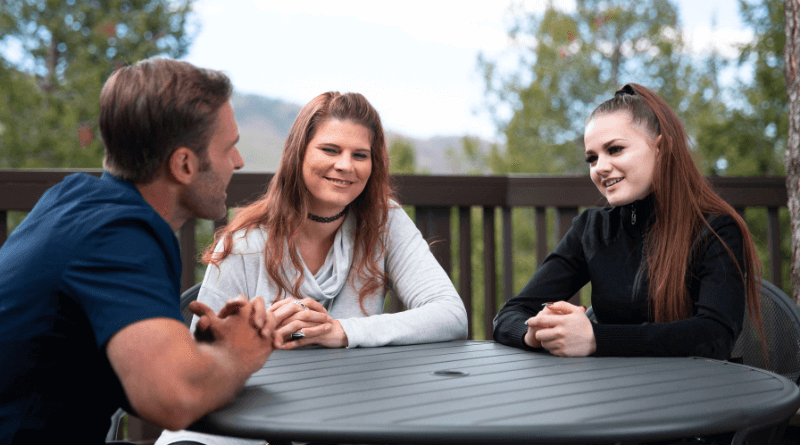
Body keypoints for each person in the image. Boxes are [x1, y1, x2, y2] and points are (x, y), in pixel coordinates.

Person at [157, 91, 468, 445]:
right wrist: (262, 336)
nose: (346, 165)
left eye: (360, 155)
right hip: (241, 423)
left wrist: (341, 332)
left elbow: (451, 315)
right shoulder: (244, 243)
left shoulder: (385, 222)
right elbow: (198, 361)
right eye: (330, 150)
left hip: (342, 416)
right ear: (299, 154)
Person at [0, 58, 278, 445]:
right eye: (229, 148)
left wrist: (202, 355)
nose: (239, 162)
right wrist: (241, 353)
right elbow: (173, 399)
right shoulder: (117, 236)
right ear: (184, 164)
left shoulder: (74, 199)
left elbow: (132, 380)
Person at [493, 83, 762, 359]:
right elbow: (509, 315)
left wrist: (597, 338)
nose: (600, 167)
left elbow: (714, 336)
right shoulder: (592, 230)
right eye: (592, 158)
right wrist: (536, 332)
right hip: (615, 394)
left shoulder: (715, 229)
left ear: (661, 148)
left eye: (615, 149)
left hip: (695, 393)